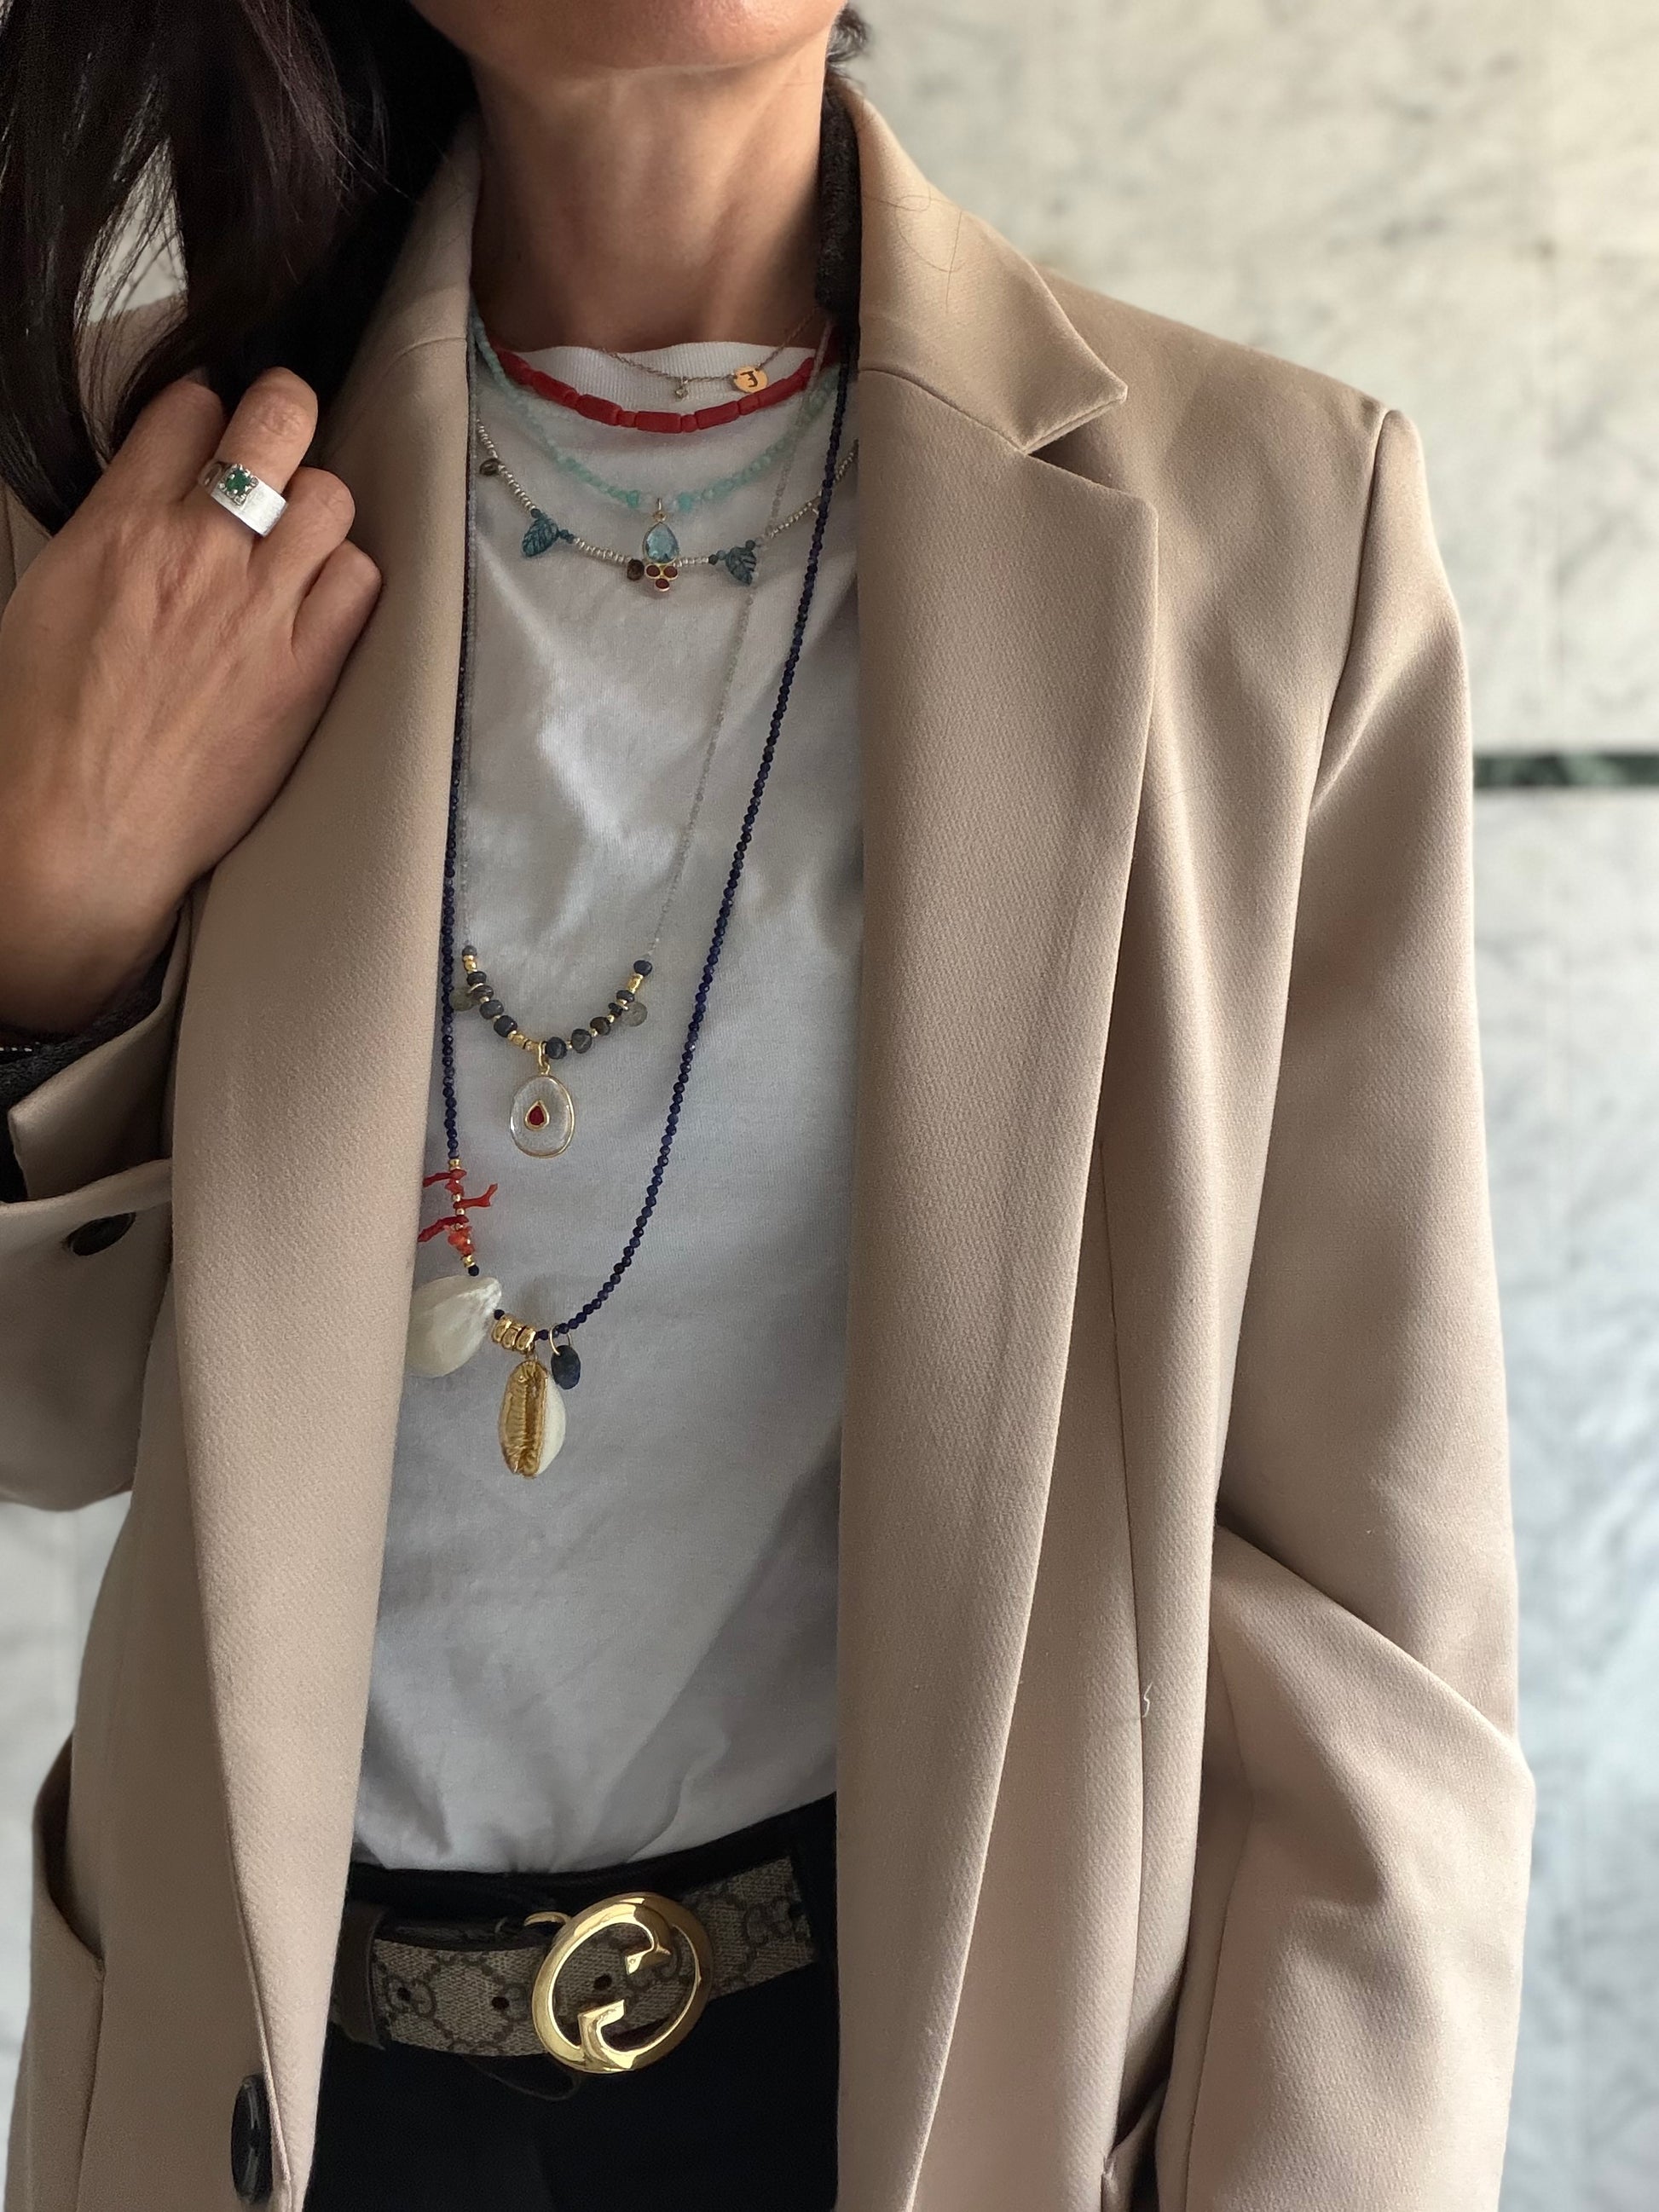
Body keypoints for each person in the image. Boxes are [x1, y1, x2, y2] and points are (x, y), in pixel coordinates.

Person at [0, 3, 1534, 2209]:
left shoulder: (1265, 525)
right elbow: (41, 1424)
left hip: (920, 2101)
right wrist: (46, 926)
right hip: (262, 2104)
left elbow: (1368, 1614)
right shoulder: (113, 481)